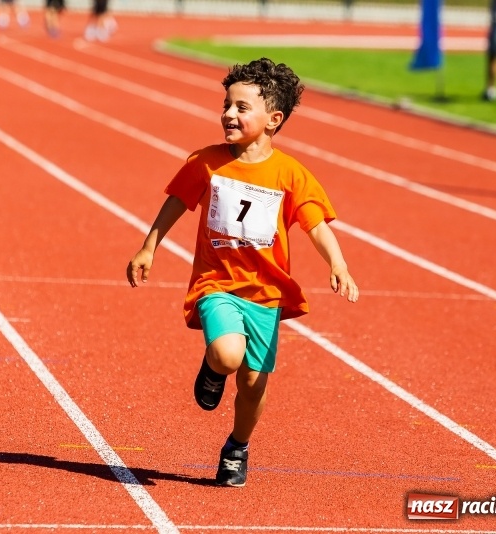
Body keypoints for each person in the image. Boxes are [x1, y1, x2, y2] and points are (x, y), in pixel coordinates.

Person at [126, 58, 359, 487]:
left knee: (252, 384)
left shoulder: (290, 174)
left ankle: (237, 446)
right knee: (229, 356)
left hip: (266, 295)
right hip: (217, 285)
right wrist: (148, 246)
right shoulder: (207, 162)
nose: (228, 115)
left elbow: (315, 223)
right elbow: (177, 200)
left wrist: (338, 264)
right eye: (226, 105)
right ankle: (214, 367)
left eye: (241, 108)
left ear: (274, 119)